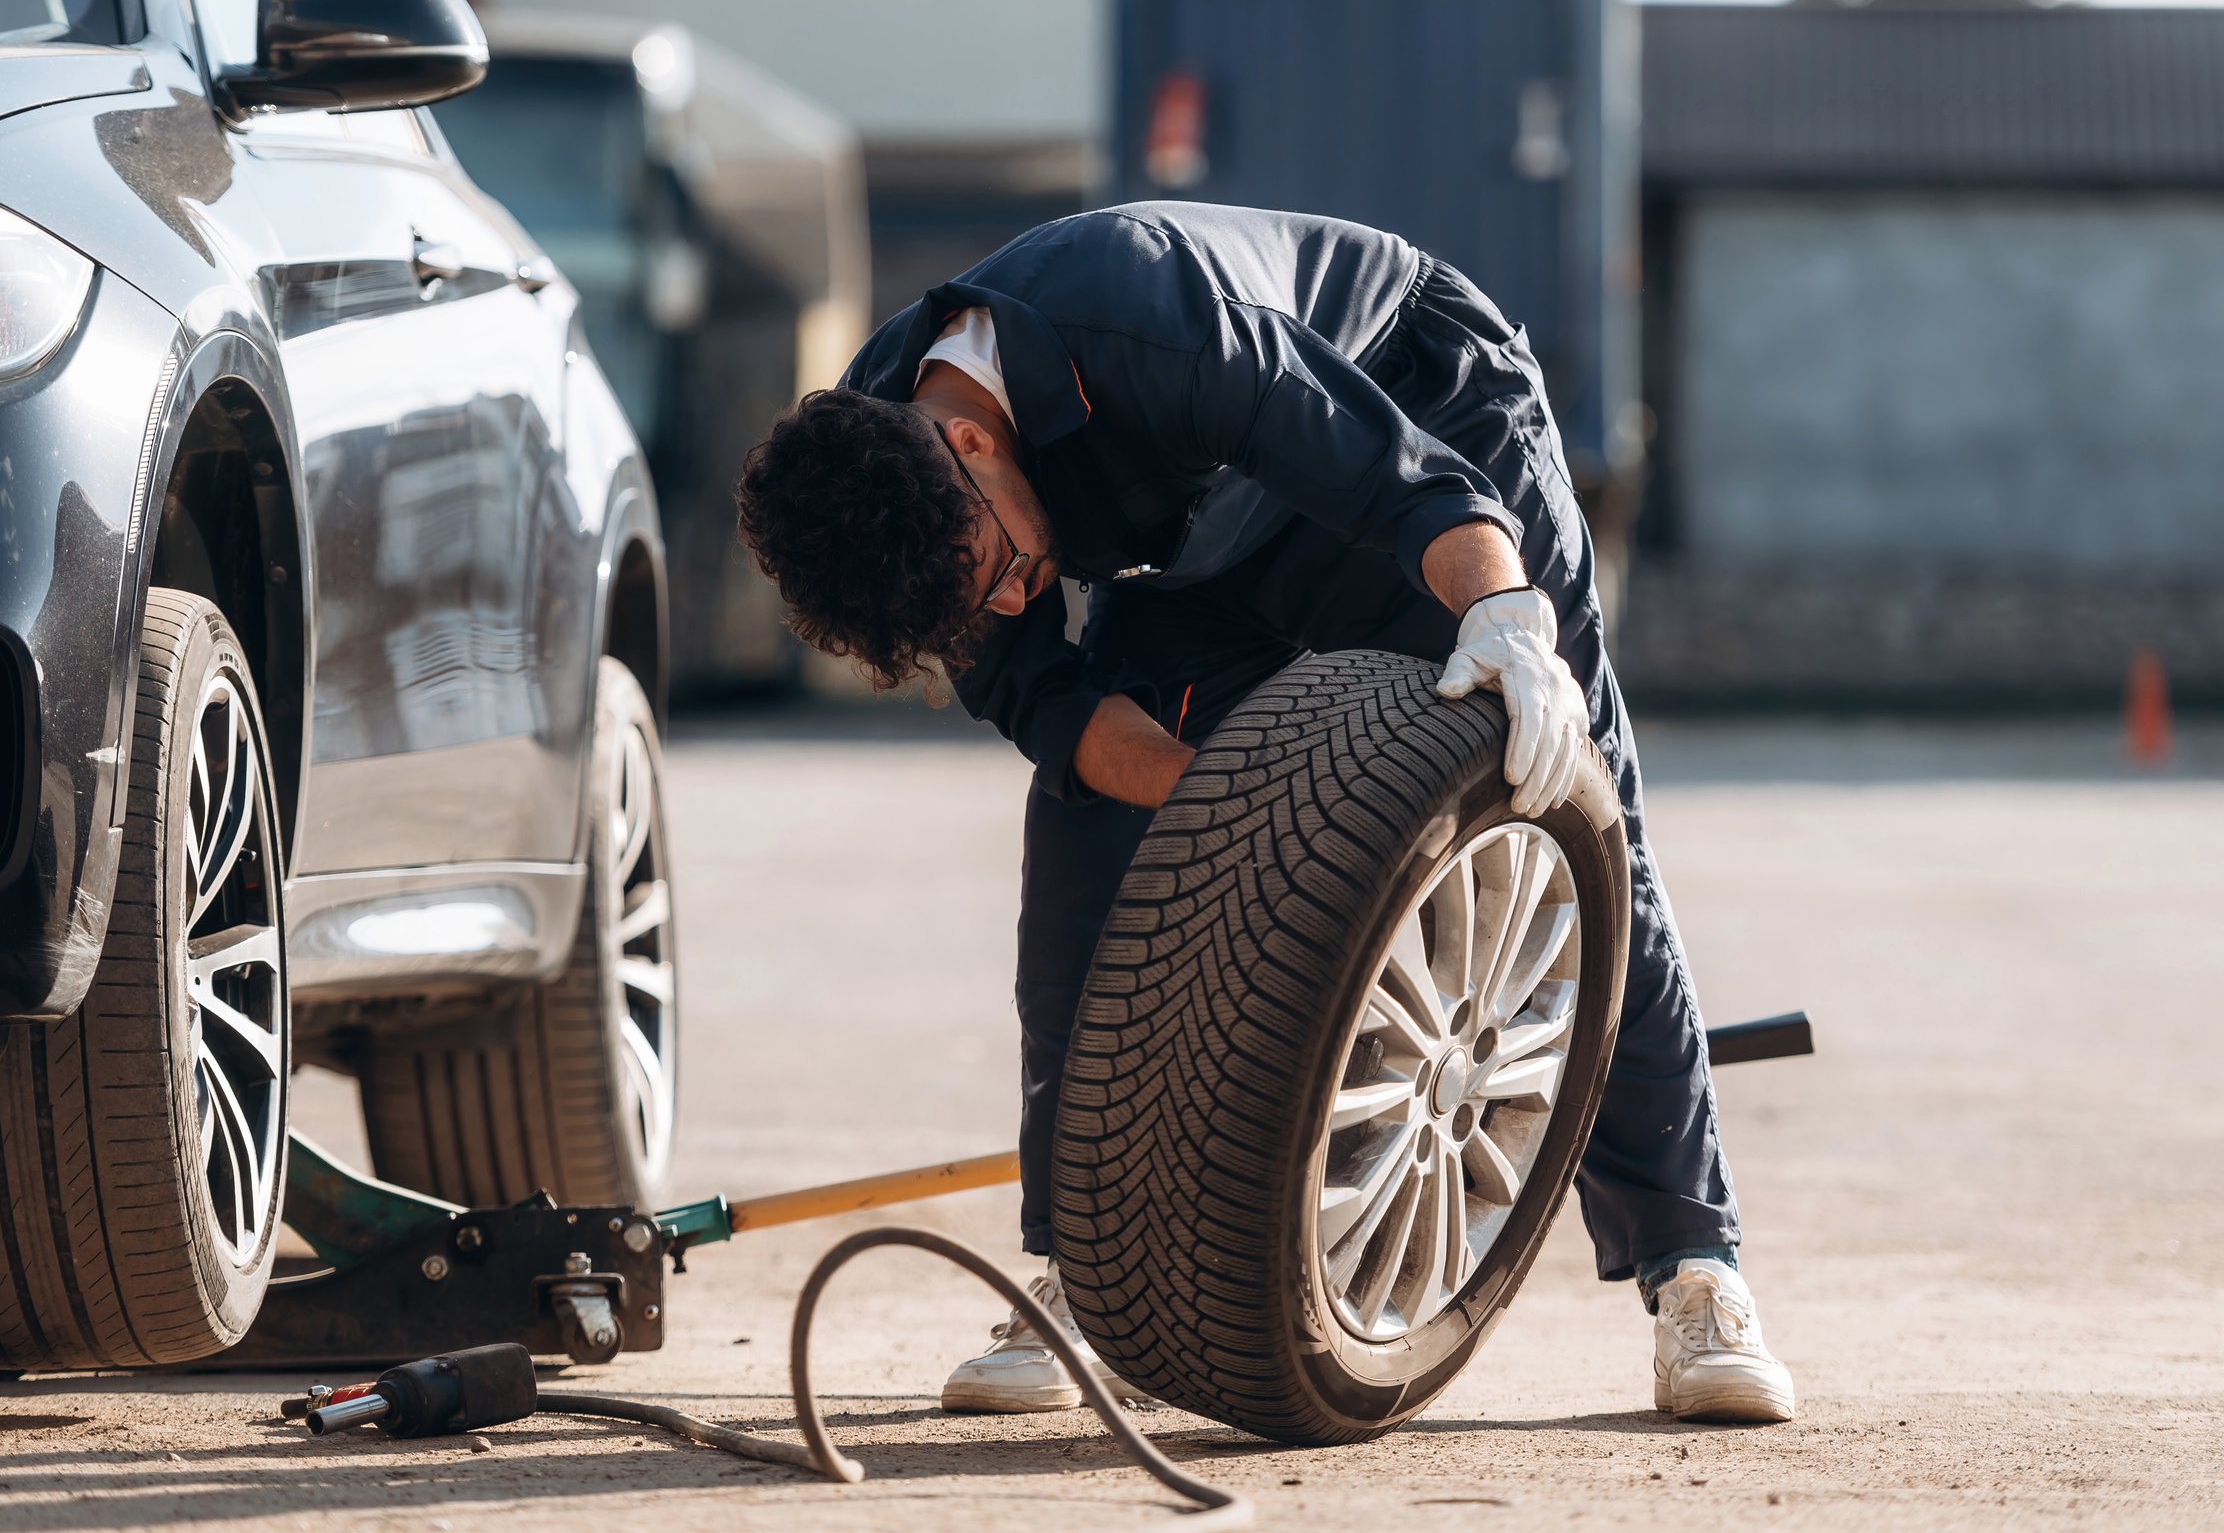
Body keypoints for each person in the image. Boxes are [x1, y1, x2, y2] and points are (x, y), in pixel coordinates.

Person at [736, 202, 1794, 1424]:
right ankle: (1086, 1282)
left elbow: (1387, 475)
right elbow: (1049, 704)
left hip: (1416, 409)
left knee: (1566, 785)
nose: (1022, 593)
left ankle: (1695, 1271)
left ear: (972, 442)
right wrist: (1225, 809)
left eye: (1008, 569)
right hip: (1195, 551)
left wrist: (1505, 622)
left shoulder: (1137, 313)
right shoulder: (876, 474)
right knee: (1088, 836)